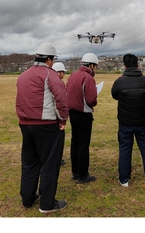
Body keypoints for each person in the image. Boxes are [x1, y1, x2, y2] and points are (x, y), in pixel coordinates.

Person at [16, 42, 69, 213]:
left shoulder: (23, 75)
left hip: (25, 124)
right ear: (49, 59)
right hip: (46, 125)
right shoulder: (50, 74)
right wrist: (63, 119)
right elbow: (61, 99)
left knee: (30, 163)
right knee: (49, 164)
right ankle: (47, 204)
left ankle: (28, 198)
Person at [110, 54, 145, 188]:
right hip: (142, 121)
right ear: (137, 65)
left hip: (125, 122)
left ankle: (124, 179)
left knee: (125, 149)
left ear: (124, 65)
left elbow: (115, 95)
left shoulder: (119, 82)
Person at [66, 52, 99, 184]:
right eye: (95, 66)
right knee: (83, 145)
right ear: (91, 65)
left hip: (72, 112)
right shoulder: (88, 78)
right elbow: (91, 99)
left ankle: (75, 171)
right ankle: (82, 174)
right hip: (83, 114)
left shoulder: (73, 75)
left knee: (75, 142)